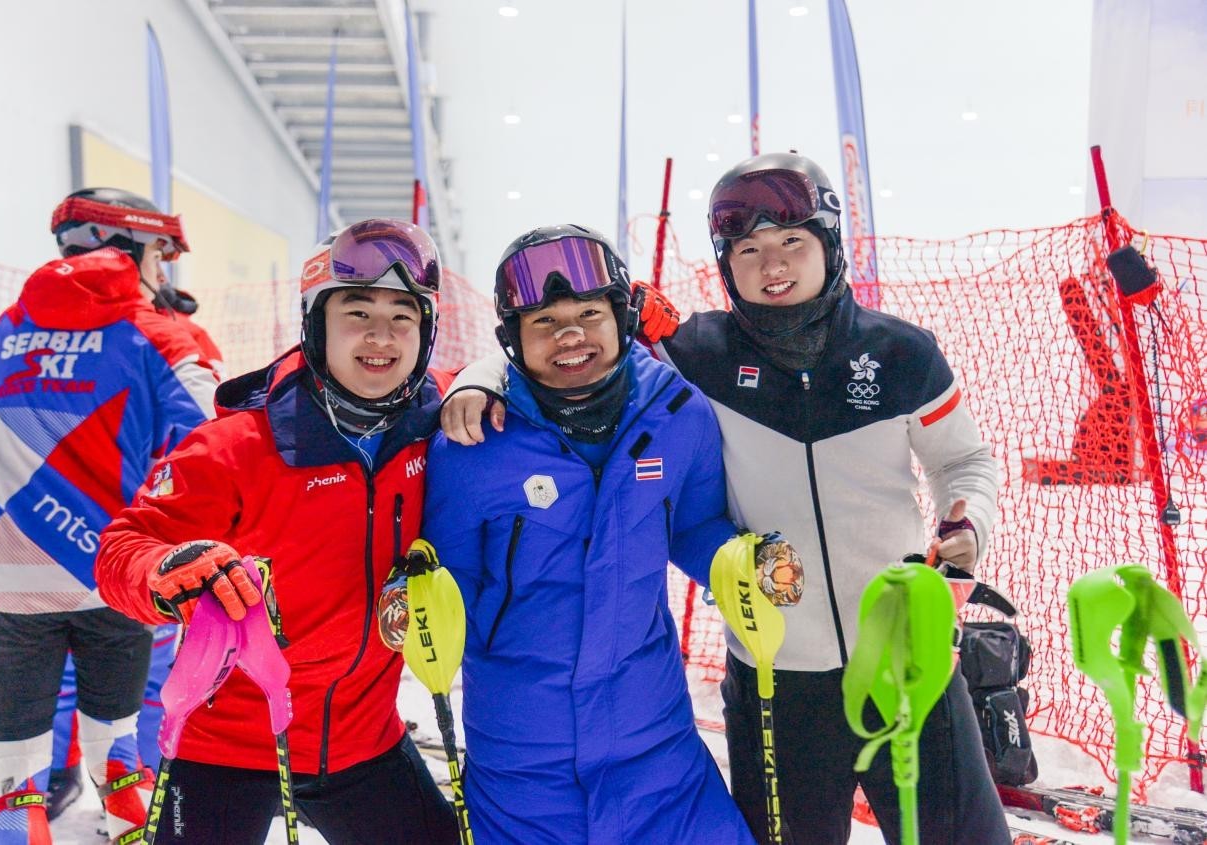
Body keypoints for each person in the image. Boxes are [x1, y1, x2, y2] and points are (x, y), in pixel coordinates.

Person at [439, 155, 1008, 845]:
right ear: (725, 262)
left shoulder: (899, 353)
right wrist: (483, 374)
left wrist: (968, 522)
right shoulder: (695, 357)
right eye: (749, 249)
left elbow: (964, 461)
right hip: (776, 675)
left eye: (792, 242)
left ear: (828, 245)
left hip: (907, 656)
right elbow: (567, 348)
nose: (772, 263)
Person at [95, 218, 457, 845]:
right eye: (357, 312)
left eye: (404, 316)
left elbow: (525, 379)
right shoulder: (236, 448)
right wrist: (166, 569)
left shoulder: (440, 426)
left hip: (364, 744)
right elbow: (121, 550)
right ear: (315, 323)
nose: (381, 337)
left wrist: (484, 385)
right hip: (224, 750)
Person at [420, 224, 756, 844]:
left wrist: (738, 564)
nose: (570, 335)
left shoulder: (679, 414)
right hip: (521, 760)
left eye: (589, 313)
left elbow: (695, 525)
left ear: (621, 317)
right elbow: (449, 577)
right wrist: (422, 608)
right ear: (512, 341)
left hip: (656, 744)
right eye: (543, 322)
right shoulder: (471, 445)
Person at [0, 187, 217, 844]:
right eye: (159, 256)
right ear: (128, 249)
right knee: (128, 749)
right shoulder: (164, 336)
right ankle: (130, 810)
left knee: (13, 780)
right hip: (118, 571)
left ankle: (27, 809)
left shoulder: (4, 328)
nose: (164, 275)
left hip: (8, 576)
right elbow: (213, 447)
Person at [45, 265, 227, 819]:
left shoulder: (178, 336)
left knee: (145, 665)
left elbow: (211, 429)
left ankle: (144, 776)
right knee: (66, 667)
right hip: (61, 531)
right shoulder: (64, 333)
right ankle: (62, 773)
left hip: (140, 532)